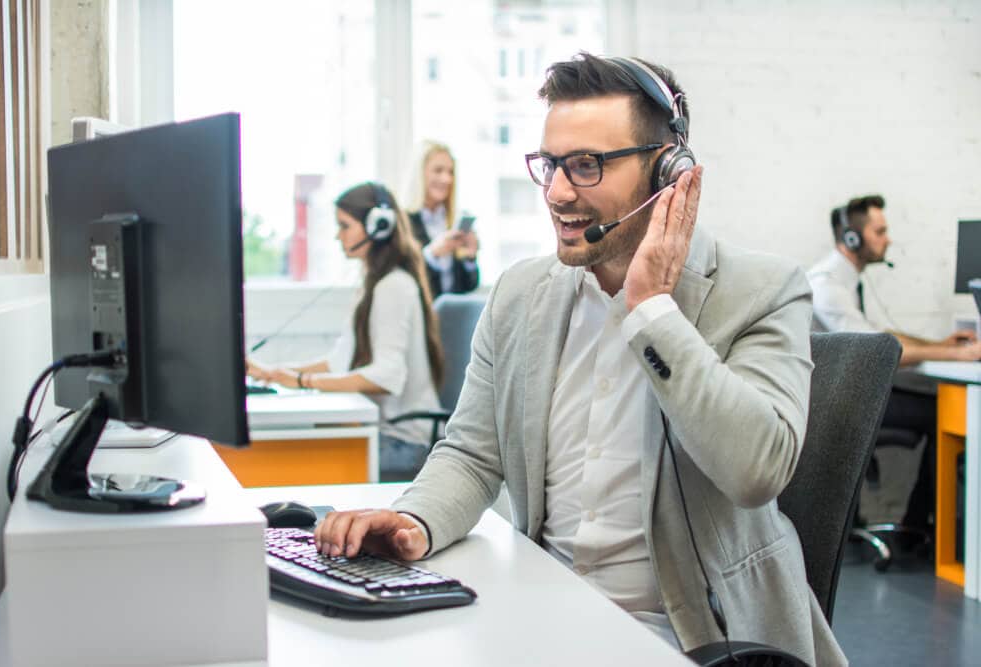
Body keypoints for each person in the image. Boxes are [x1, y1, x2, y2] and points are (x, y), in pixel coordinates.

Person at [315, 54, 845, 665]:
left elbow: (758, 471)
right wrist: (412, 522)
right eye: (550, 165)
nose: (559, 192)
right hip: (537, 608)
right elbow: (470, 454)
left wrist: (652, 311)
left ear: (667, 173)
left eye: (587, 165)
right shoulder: (519, 296)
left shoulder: (761, 290)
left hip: (691, 636)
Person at [246, 182, 444, 481]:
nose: (338, 236)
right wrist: (274, 373)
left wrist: (303, 381)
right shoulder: (375, 284)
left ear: (378, 226)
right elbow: (340, 360)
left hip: (405, 441)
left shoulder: (394, 286)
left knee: (300, 461)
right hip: (385, 432)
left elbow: (385, 375)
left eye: (345, 226)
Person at [808, 195, 981, 534]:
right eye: (880, 231)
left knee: (939, 408)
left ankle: (919, 524)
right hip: (838, 405)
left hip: (846, 395)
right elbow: (875, 350)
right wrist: (957, 356)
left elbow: (878, 334)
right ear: (852, 238)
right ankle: (923, 527)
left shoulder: (843, 281)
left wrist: (939, 344)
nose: (887, 239)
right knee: (938, 413)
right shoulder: (826, 286)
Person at [404, 141, 480, 297]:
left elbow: (470, 285)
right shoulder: (404, 222)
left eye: (450, 172)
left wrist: (470, 257)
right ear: (420, 174)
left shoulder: (453, 220)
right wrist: (432, 254)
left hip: (454, 316)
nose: (447, 179)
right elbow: (405, 280)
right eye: (438, 171)